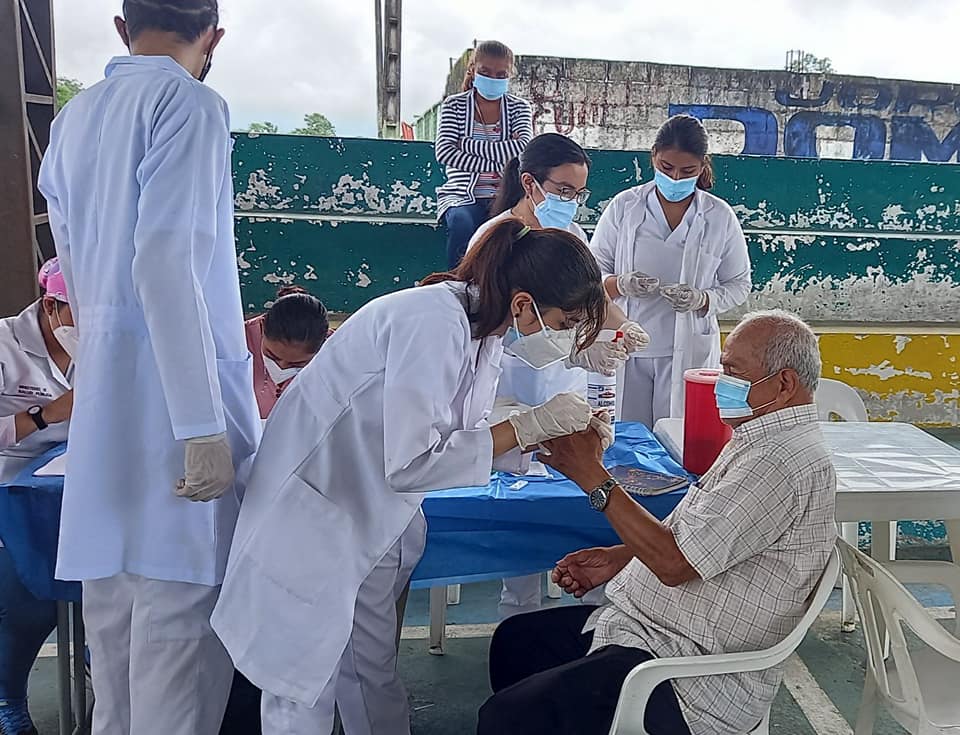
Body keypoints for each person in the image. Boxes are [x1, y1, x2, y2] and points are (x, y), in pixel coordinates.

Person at [211, 219, 612, 735]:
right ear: (523, 304)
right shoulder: (431, 323)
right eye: (565, 321)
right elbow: (413, 461)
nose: (565, 337)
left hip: (369, 516)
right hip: (311, 516)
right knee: (302, 690)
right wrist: (527, 425)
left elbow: (457, 433)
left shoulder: (482, 333)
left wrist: (544, 438)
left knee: (369, 670)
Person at [37, 3, 261, 735]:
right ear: (214, 37)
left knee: (117, 671)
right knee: (177, 663)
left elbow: (74, 269)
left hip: (108, 415)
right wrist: (201, 426)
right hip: (173, 415)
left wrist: (105, 365)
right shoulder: (190, 104)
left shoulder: (74, 118)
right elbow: (166, 261)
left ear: (120, 26)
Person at [477, 310, 837, 735]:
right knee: (516, 643)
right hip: (649, 630)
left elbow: (674, 563)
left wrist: (591, 475)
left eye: (733, 372)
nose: (721, 383)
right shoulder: (761, 437)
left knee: (506, 718)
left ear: (784, 384)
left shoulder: (778, 462)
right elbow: (708, 535)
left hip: (687, 675)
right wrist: (622, 557)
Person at [467, 133, 648, 618]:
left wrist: (617, 329)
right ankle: (519, 614)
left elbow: (592, 299)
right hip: (510, 387)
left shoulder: (571, 236)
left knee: (575, 498)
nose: (572, 202)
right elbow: (498, 326)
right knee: (521, 517)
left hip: (562, 388)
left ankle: (583, 607)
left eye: (579, 193)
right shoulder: (495, 239)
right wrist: (574, 349)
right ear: (530, 183)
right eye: (563, 191)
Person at [590, 114, 752, 427]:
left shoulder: (718, 216)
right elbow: (590, 274)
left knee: (679, 434)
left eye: (687, 171)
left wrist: (702, 299)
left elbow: (739, 284)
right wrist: (619, 284)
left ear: (703, 166)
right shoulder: (625, 207)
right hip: (629, 344)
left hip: (687, 349)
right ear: (653, 157)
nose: (676, 178)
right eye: (666, 168)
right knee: (627, 433)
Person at [0, 259, 75, 735]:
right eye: (80, 315)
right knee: (29, 598)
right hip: (10, 487)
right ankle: (7, 696)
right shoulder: (5, 344)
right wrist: (45, 415)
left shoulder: (101, 346)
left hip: (68, 485)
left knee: (105, 587)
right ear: (50, 305)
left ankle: (93, 662)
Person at [435, 40, 533, 269]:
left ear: (510, 75)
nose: (493, 79)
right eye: (485, 72)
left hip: (507, 194)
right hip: (462, 194)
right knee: (461, 223)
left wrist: (466, 144)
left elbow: (523, 149)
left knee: (515, 230)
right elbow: (445, 152)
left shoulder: (519, 108)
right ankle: (457, 281)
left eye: (501, 75)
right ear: (473, 70)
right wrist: (502, 158)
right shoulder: (454, 106)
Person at [244, 286, 331, 419]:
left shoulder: (335, 354)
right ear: (263, 326)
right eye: (272, 356)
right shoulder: (238, 341)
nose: (282, 367)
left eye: (296, 364)